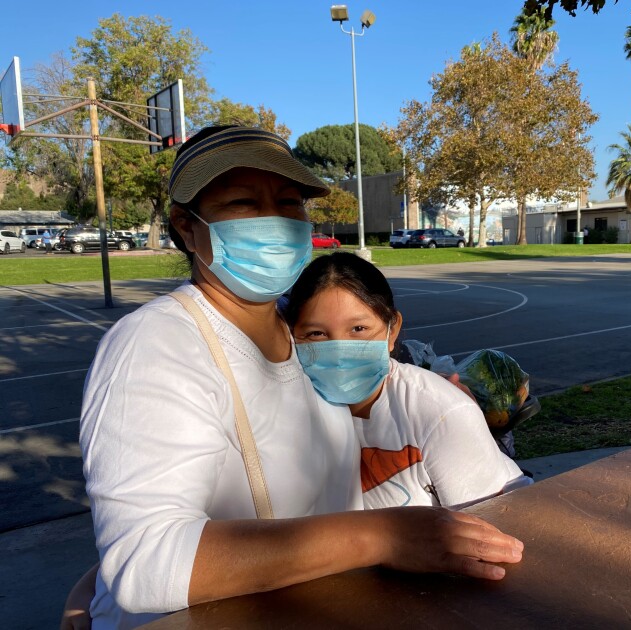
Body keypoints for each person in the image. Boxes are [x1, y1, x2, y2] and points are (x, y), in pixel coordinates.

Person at [74, 125, 523, 629]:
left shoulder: (298, 335)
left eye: (289, 203)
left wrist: (458, 404)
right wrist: (383, 535)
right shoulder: (156, 344)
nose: (274, 221)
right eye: (243, 203)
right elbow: (147, 562)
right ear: (185, 225)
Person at [284, 252, 531, 509]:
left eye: (358, 329)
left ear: (393, 330)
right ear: (292, 336)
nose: (338, 351)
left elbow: (495, 523)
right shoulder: (289, 414)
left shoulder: (439, 413)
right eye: (316, 333)